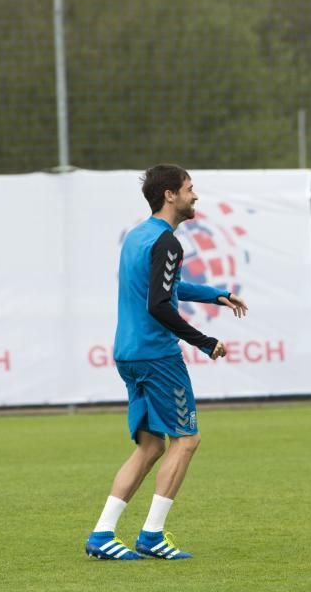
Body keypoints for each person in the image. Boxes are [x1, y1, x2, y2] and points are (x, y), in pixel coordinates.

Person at [84, 164, 248, 560]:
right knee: (187, 439)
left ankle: (102, 534)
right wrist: (205, 342)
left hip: (127, 353)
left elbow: (162, 288)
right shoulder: (167, 243)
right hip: (157, 355)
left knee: (150, 446)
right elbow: (159, 304)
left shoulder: (138, 236)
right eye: (190, 189)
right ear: (170, 195)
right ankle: (152, 535)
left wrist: (214, 295)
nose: (195, 196)